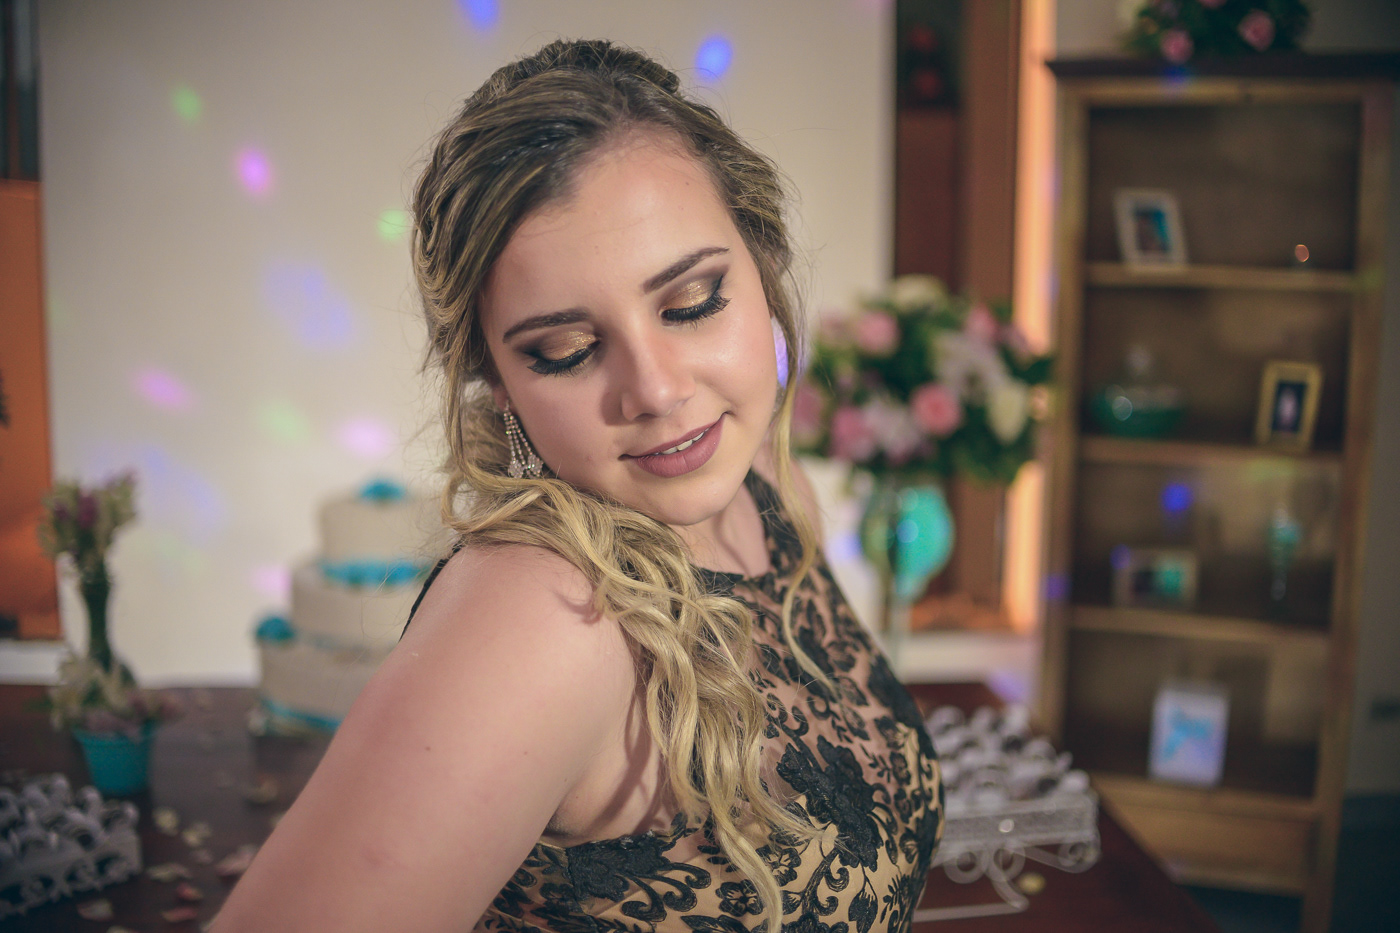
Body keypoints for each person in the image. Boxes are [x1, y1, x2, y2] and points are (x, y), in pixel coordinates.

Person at [215, 39, 942, 933]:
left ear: (762, 262)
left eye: (692, 302)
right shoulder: (542, 616)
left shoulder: (768, 487)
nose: (656, 391)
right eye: (567, 350)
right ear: (499, 381)